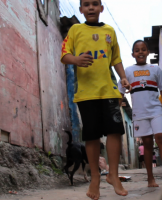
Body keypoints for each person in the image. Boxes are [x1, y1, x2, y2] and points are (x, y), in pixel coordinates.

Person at [60, 0, 130, 199]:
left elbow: (115, 57)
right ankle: (95, 178)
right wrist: (76, 60)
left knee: (115, 131)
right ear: (81, 9)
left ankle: (114, 176)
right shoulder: (75, 30)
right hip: (86, 93)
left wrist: (123, 77)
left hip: (109, 90)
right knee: (91, 136)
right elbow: (64, 55)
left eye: (95, 4)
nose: (91, 7)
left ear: (101, 8)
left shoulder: (110, 31)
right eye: (86, 4)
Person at [118, 40, 162, 187]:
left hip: (156, 110)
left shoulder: (155, 69)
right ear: (133, 54)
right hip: (139, 113)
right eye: (137, 50)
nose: (140, 52)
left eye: (143, 49)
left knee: (161, 137)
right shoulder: (127, 71)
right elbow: (120, 92)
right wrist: (116, 108)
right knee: (147, 143)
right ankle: (150, 178)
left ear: (148, 52)